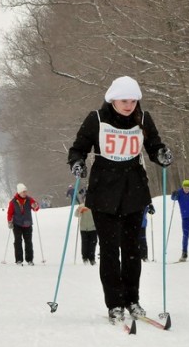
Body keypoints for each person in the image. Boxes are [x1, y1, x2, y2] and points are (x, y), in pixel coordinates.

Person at [68, 76, 172, 323]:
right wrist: (77, 163)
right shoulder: (96, 119)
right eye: (124, 100)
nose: (129, 105)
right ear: (112, 99)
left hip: (134, 191)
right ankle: (114, 304)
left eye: (133, 100)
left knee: (132, 251)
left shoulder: (143, 119)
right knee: (110, 251)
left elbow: (154, 146)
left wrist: (161, 154)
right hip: (104, 193)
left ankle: (132, 300)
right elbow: (77, 149)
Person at [7, 183, 40, 266]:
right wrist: (9, 222)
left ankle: (29, 259)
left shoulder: (29, 199)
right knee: (18, 241)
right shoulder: (13, 202)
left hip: (27, 224)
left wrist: (35, 206)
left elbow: (36, 208)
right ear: (19, 192)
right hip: (17, 224)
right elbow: (9, 213)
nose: (25, 193)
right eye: (23, 192)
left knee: (28, 242)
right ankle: (18, 260)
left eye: (25, 191)